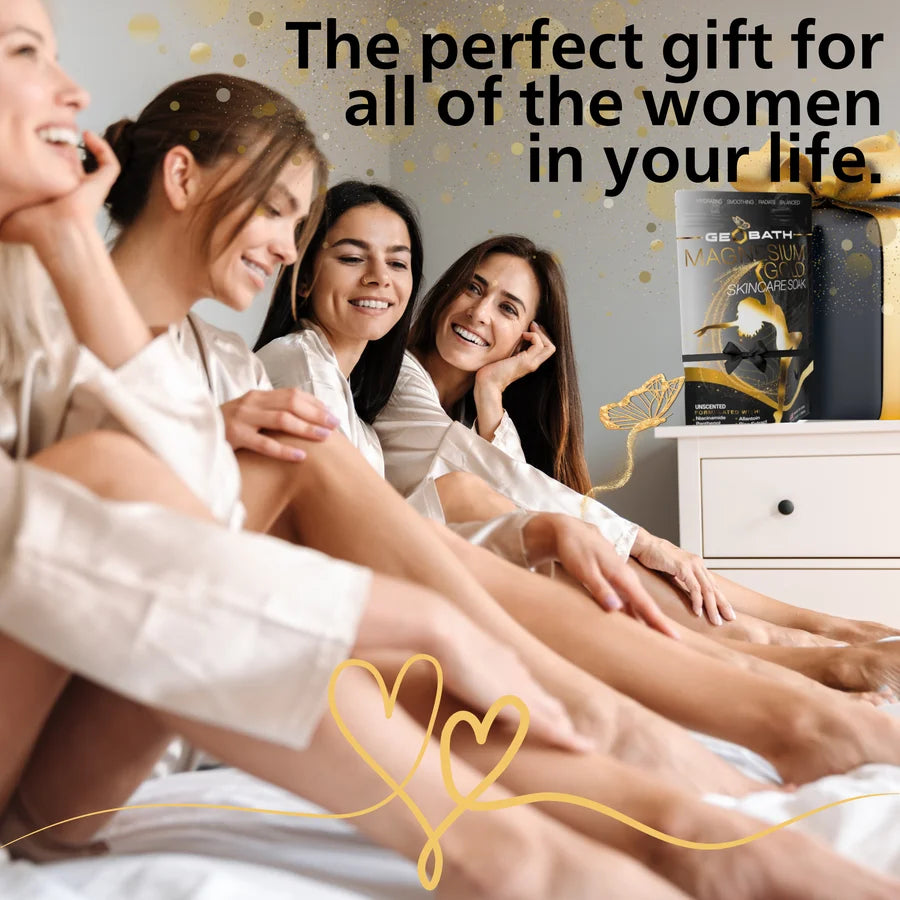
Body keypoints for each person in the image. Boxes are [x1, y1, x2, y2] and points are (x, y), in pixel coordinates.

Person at [0, 8, 674, 896]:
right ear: (182, 178)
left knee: (459, 524)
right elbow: (186, 514)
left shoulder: (235, 358)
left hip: (120, 715)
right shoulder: (261, 358)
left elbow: (446, 494)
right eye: (313, 235)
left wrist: (522, 467)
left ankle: (623, 759)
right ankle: (578, 760)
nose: (291, 250)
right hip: (127, 692)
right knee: (175, 471)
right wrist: (412, 612)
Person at [374, 234, 900, 653]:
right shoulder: (393, 374)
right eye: (473, 287)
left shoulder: (472, 409)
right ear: (446, 290)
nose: (479, 312)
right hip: (403, 551)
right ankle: (769, 637)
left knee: (624, 550)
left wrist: (490, 392)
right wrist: (645, 541)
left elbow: (511, 488)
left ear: (526, 337)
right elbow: (506, 493)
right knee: (583, 539)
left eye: (508, 309)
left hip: (465, 556)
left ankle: (817, 625)